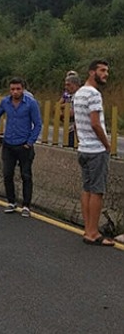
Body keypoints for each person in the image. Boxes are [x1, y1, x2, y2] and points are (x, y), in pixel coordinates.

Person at [73, 60, 114, 246]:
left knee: (87, 189)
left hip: (83, 148)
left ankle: (88, 229)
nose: (106, 74)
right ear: (92, 72)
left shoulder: (79, 93)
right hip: (96, 150)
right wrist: (107, 144)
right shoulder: (94, 95)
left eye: (107, 71)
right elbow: (96, 123)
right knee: (97, 192)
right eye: (102, 70)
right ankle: (93, 233)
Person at [0, 77, 42, 218]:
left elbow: (38, 124)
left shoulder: (31, 103)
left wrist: (30, 142)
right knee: (7, 174)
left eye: (18, 89)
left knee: (26, 175)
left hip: (24, 145)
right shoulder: (5, 102)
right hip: (8, 144)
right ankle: (11, 201)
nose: (15, 92)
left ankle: (26, 205)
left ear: (23, 89)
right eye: (12, 89)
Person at [59, 72, 80, 147]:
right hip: (69, 128)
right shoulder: (67, 95)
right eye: (65, 85)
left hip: (77, 130)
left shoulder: (80, 96)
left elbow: (72, 113)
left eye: (68, 85)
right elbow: (57, 106)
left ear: (76, 85)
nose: (66, 87)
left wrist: (64, 109)